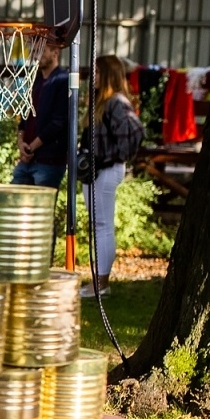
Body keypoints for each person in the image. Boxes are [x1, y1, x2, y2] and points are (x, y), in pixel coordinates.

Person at [82, 54, 144, 299]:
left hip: (107, 171)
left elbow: (135, 132)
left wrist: (112, 156)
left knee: (103, 226)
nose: (92, 77)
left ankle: (101, 284)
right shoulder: (100, 102)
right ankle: (97, 281)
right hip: (94, 172)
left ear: (108, 75)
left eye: (97, 72)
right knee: (98, 225)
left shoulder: (117, 102)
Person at [12, 39, 68, 187]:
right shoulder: (35, 79)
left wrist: (32, 147)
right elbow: (25, 115)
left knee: (42, 208)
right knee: (15, 202)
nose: (36, 55)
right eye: (34, 51)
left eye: (41, 51)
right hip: (28, 159)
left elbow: (58, 122)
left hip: (49, 159)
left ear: (55, 52)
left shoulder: (63, 80)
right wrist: (21, 142)